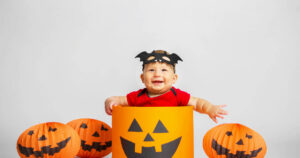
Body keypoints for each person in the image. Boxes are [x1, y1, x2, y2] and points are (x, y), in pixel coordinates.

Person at [105, 50, 227, 123]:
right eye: (151, 70)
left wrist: (210, 108)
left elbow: (197, 103)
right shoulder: (138, 96)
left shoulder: (177, 96)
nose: (157, 74)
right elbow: (119, 100)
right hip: (144, 139)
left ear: (174, 78)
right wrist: (110, 101)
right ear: (142, 78)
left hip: (169, 137)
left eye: (164, 70)